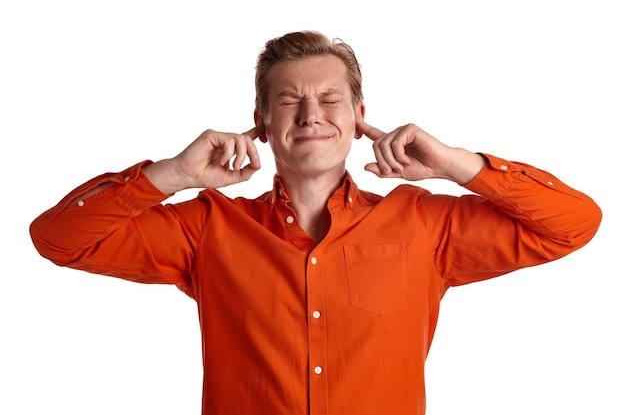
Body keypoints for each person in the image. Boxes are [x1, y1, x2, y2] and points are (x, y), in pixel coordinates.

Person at [30, 30, 602, 415]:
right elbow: (57, 239)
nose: (310, 114)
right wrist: (173, 175)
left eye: (330, 99)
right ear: (259, 120)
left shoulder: (426, 225)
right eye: (288, 101)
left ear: (358, 117)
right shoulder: (205, 228)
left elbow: (573, 224)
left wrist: (457, 164)